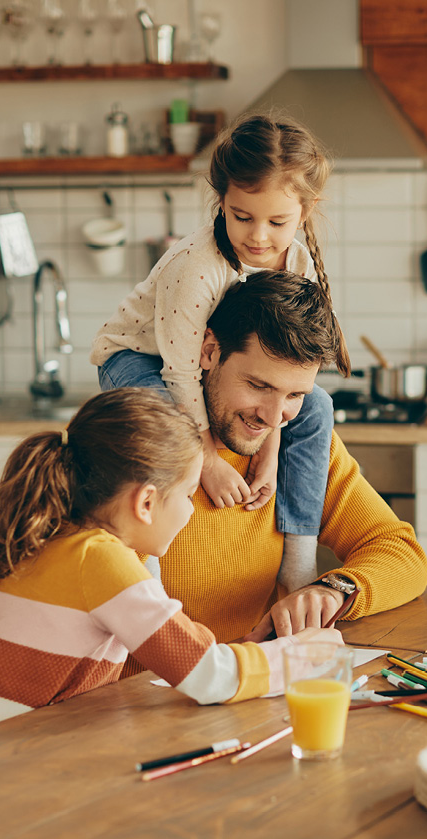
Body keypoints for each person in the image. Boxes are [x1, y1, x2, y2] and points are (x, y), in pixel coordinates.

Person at [0, 388, 341, 731]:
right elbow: (210, 676)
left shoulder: (38, 535)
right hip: (21, 761)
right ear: (146, 503)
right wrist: (303, 654)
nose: (189, 509)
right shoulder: (99, 559)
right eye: (188, 494)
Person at [90, 112, 348, 594]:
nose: (258, 236)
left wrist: (270, 451)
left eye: (278, 221)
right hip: (138, 357)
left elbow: (288, 367)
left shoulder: (299, 263)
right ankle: (144, 565)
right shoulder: (196, 268)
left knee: (319, 407)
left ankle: (298, 562)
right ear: (222, 202)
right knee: (158, 425)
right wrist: (207, 461)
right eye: (241, 216)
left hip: (196, 369)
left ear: (306, 211)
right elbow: (181, 373)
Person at [125, 269, 427, 670]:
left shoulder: (301, 448)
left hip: (258, 694)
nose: (273, 417)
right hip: (142, 705)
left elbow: (402, 554)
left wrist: (331, 590)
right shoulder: (123, 450)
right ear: (209, 351)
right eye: (259, 385)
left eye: (295, 394)